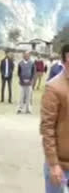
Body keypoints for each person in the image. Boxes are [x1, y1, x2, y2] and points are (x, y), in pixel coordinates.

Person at [40, 44, 69, 193]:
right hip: (60, 165)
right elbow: (47, 128)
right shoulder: (54, 88)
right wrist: (53, 164)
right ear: (64, 61)